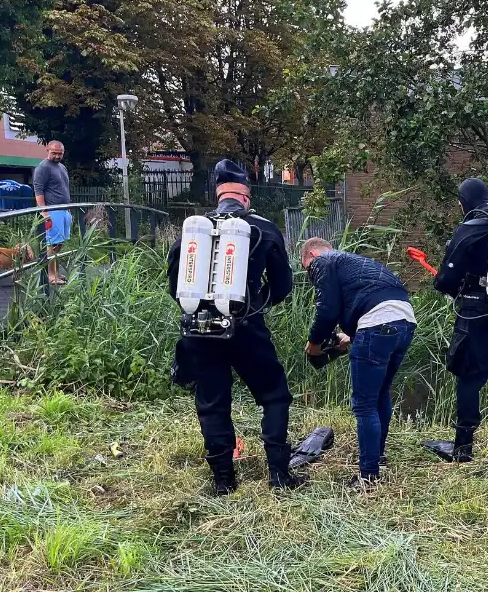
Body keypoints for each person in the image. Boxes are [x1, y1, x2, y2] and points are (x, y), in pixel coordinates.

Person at [165, 159, 300, 495]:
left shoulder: (194, 228)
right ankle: (279, 477)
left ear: (217, 193)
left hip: (199, 329)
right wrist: (255, 304)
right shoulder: (263, 228)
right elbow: (283, 286)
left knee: (212, 402)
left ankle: (224, 481)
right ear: (246, 195)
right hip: (246, 326)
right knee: (274, 395)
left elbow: (175, 286)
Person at [424, 178, 488, 463]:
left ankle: (463, 446)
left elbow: (446, 280)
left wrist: (445, 283)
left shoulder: (470, 228)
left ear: (464, 201)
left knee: (469, 375)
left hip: (475, 312)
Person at [301, 237, 416, 487]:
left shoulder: (322, 261)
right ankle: (378, 457)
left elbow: (327, 309)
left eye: (305, 267)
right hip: (405, 322)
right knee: (381, 394)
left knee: (364, 405)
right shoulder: (355, 262)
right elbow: (371, 297)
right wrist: (351, 336)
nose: (309, 272)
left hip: (377, 323)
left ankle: (368, 476)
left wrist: (315, 343)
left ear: (310, 255)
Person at [32, 140, 71, 285]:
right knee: (52, 244)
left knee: (59, 244)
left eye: (60, 153)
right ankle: (51, 275)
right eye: (54, 153)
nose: (57, 156)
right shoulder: (43, 168)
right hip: (52, 210)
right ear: (48, 151)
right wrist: (44, 211)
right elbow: (38, 190)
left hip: (64, 210)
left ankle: (56, 273)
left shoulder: (62, 167)